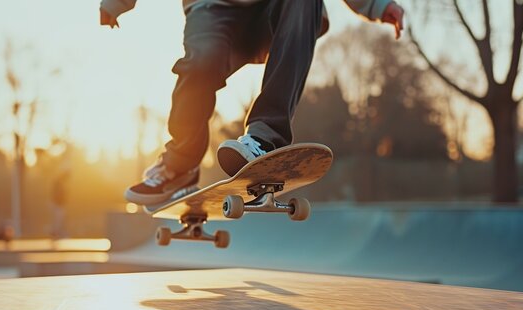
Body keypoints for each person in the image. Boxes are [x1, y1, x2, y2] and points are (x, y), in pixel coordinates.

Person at [100, 0, 404, 205]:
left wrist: (377, 4)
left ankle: (264, 140)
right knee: (202, 62)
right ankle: (179, 164)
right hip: (212, 8)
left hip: (273, 10)